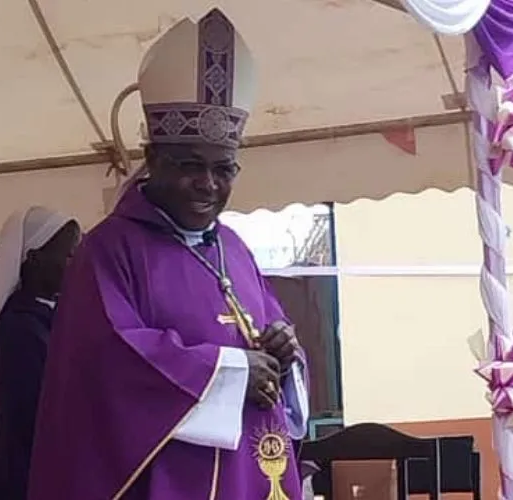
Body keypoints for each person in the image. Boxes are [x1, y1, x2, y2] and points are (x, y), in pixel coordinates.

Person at [27, 9, 310, 500]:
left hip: (250, 476)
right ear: (153, 160)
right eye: (190, 165)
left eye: (224, 169)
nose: (208, 183)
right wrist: (231, 373)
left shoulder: (234, 248)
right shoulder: (109, 250)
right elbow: (108, 364)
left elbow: (272, 341)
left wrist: (287, 355)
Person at [0, 207, 80, 500]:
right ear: (34, 257)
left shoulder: (55, 317)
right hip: (34, 474)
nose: (77, 265)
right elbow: (39, 409)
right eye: (69, 255)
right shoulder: (21, 326)